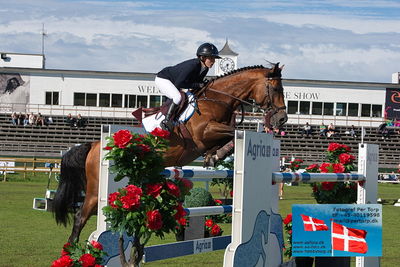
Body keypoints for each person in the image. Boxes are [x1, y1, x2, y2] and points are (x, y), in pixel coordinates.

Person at [155, 42, 221, 131]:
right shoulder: (192, 65)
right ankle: (166, 121)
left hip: (175, 82)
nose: (213, 61)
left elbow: (196, 84)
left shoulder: (205, 69)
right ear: (202, 57)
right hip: (164, 79)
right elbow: (180, 83)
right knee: (177, 97)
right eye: (211, 58)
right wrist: (198, 85)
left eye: (214, 59)